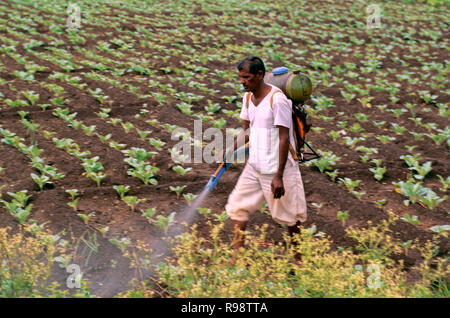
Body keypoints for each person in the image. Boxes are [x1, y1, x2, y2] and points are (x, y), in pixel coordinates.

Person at [224, 56, 307, 261]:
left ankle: (299, 260)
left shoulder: (277, 100)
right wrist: (228, 152)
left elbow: (284, 137)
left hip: (277, 169)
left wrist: (278, 176)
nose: (242, 81)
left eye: (246, 77)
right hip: (255, 165)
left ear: (259, 75)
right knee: (237, 207)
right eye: (240, 77)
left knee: (289, 217)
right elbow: (246, 131)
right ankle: (237, 257)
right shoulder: (247, 97)